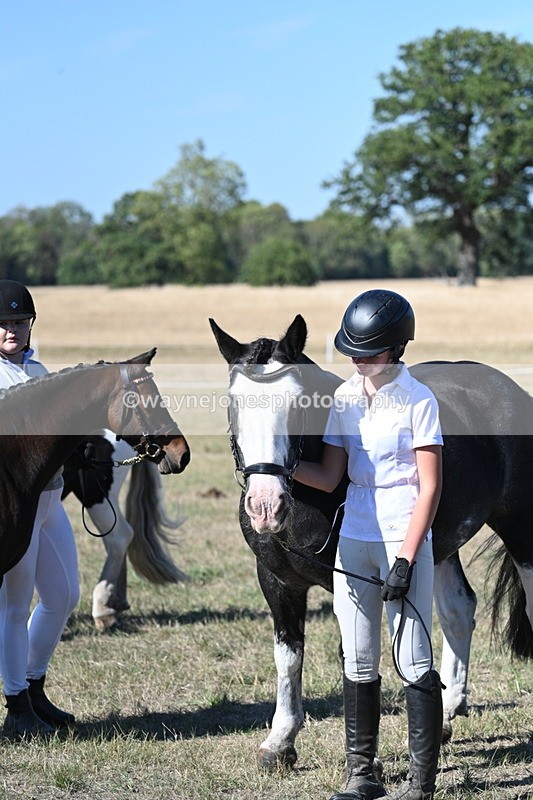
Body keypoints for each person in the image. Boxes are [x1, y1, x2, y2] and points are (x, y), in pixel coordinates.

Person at [295, 289, 443, 800]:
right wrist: (279, 468)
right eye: (352, 351)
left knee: (412, 657)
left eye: (369, 352)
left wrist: (407, 557)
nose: (358, 360)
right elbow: (330, 475)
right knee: (358, 659)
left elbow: (430, 486)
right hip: (354, 536)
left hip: (403, 533)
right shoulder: (343, 398)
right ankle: (362, 775)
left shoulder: (420, 400)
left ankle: (421, 783)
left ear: (397, 347)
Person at [0, 279, 79, 740]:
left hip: (51, 498)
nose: (12, 330)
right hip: (16, 505)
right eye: (4, 323)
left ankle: (33, 684)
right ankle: (16, 706)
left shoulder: (38, 368)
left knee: (63, 596)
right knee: (15, 605)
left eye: (20, 321)